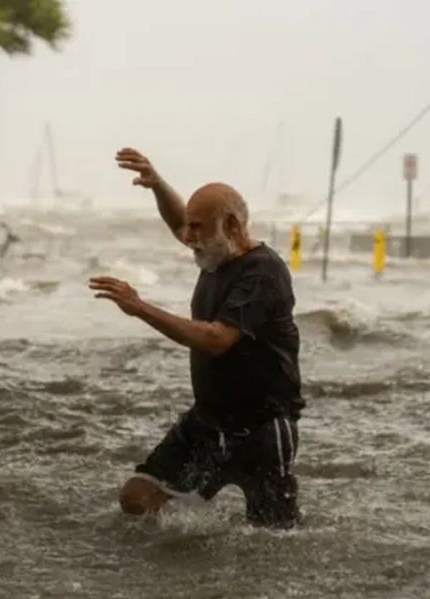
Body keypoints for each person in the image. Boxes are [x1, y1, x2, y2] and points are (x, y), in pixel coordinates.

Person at [88, 148, 306, 529]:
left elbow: (217, 338)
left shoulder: (263, 273)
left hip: (263, 428)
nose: (188, 237)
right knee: (137, 498)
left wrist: (140, 308)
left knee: (273, 539)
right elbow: (180, 225)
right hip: (207, 422)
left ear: (233, 227)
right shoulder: (213, 253)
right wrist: (157, 186)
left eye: (198, 228)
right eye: (188, 228)